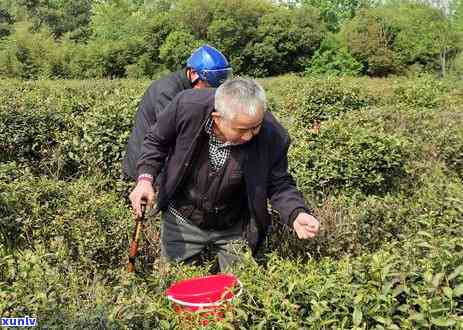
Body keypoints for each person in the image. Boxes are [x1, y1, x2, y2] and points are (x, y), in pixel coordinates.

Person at [129, 78, 320, 271]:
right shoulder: (187, 107)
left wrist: (296, 212)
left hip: (234, 224)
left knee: (238, 288)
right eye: (242, 129)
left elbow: (279, 182)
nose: (250, 135)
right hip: (182, 216)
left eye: (256, 126)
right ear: (217, 118)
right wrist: (145, 179)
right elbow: (156, 141)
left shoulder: (273, 135)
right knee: (175, 281)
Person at [122, 44, 232, 180]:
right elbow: (173, 135)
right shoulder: (168, 91)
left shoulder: (192, 89)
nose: (210, 94)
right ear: (193, 74)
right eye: (208, 87)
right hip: (148, 163)